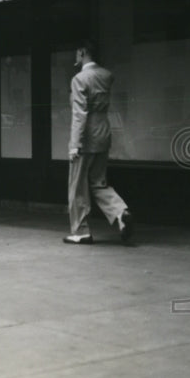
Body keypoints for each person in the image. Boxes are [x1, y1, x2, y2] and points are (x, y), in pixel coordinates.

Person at [64, 39, 133, 245]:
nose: (75, 56)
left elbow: (80, 114)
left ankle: (81, 230)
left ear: (83, 52)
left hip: (85, 138)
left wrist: (75, 143)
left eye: (77, 52)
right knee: (98, 182)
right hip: (103, 133)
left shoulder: (79, 79)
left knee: (76, 186)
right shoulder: (106, 75)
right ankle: (121, 212)